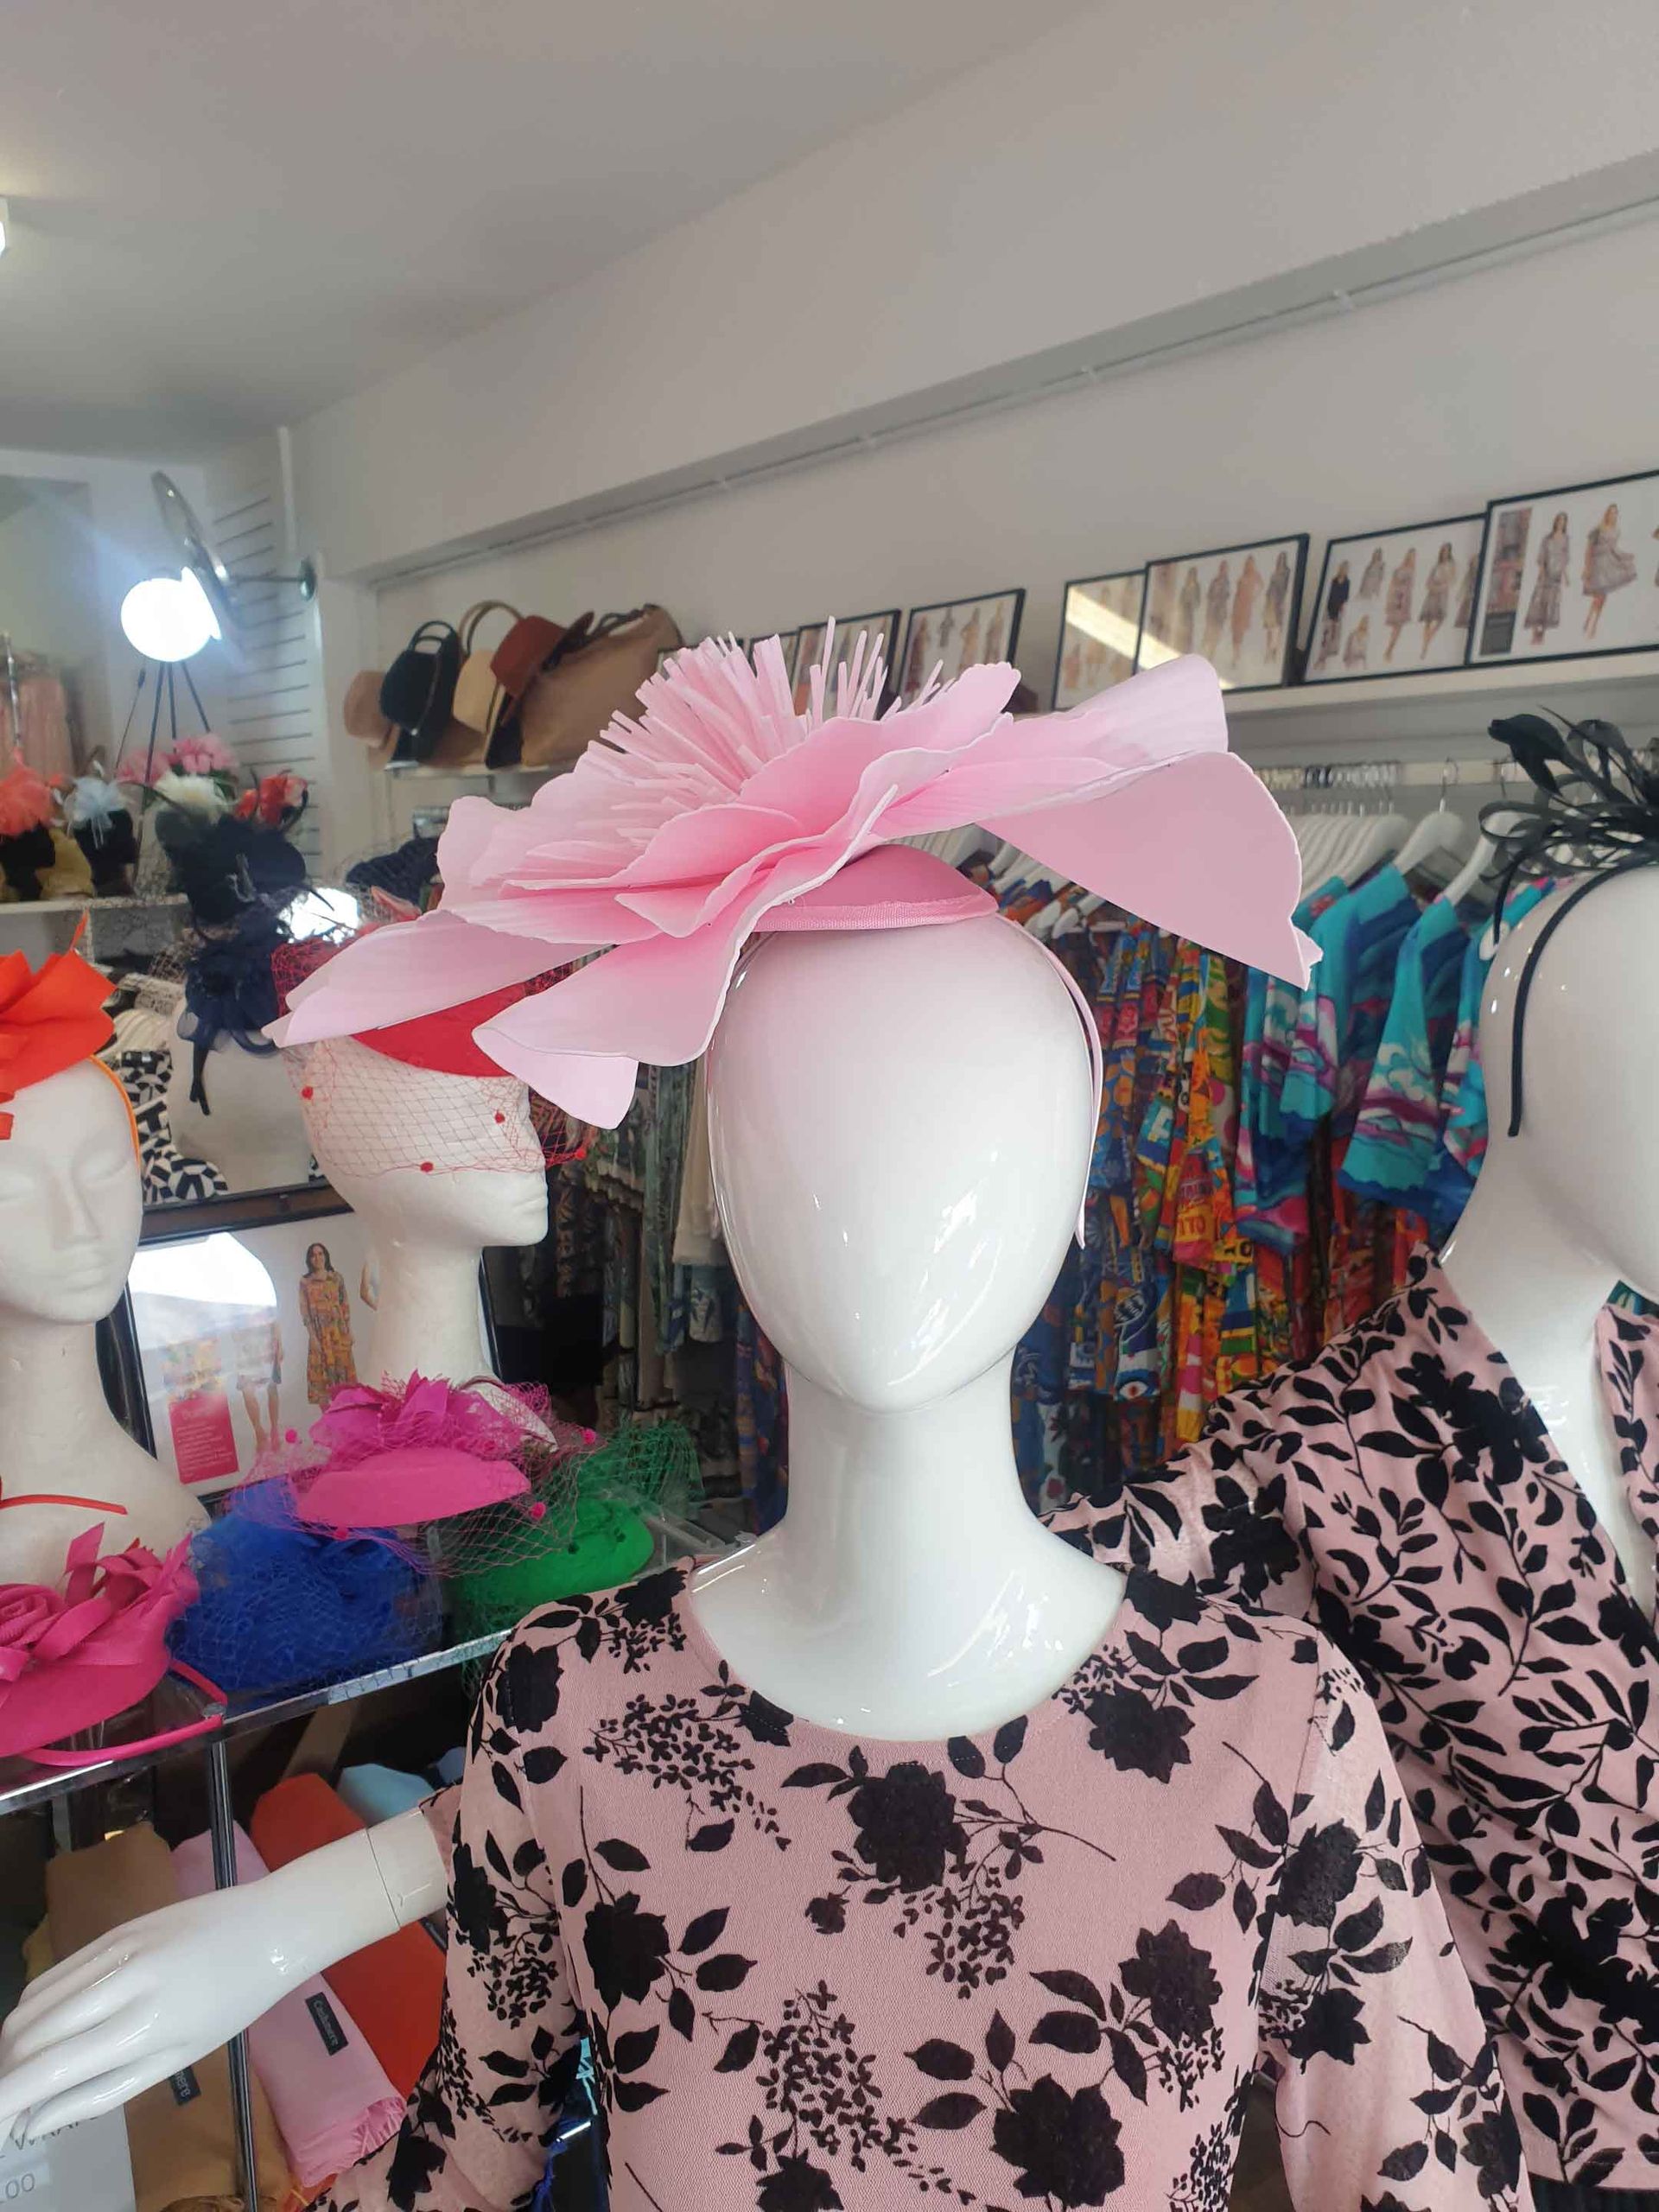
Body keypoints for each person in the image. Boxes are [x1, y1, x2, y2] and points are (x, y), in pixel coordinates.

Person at [298, 1240, 357, 1407]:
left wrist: (349, 1330)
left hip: (338, 1332)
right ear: (309, 1259)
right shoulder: (305, 1282)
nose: (317, 1258)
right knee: (322, 1380)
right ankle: (329, 1425)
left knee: (344, 1377)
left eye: (320, 1254)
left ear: (326, 1256)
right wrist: (313, 1337)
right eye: (313, 1255)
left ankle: (345, 1421)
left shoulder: (336, 1278)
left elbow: (344, 1304)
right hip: (319, 1334)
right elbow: (305, 1312)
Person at [1582, 501, 1637, 638]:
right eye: (1611, 512)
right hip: (1596, 565)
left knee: (1602, 597)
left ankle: (1593, 624)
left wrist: (1626, 556)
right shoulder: (1597, 529)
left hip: (1608, 566)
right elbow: (1589, 550)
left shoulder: (1616, 531)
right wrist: (1586, 568)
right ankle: (1589, 619)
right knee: (1598, 597)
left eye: (1615, 512)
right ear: (1607, 513)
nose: (1613, 515)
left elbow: (1614, 549)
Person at [1525, 512, 1570, 645]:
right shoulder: (1547, 538)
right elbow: (1541, 556)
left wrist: (1566, 576)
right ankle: (1534, 634)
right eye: (1559, 520)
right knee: (1538, 601)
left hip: (1556, 576)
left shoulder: (1566, 539)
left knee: (1551, 603)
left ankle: (1542, 636)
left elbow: (1564, 560)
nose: (1561, 522)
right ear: (1555, 521)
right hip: (1545, 574)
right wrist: (1542, 572)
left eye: (1563, 520)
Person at [1417, 539, 1459, 658]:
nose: (1444, 552)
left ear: (1449, 552)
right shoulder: (1436, 565)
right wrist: (1431, 586)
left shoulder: (1451, 565)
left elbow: (1452, 580)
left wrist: (1442, 586)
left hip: (1442, 592)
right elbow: (1428, 580)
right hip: (1432, 592)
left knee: (1440, 618)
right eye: (1442, 550)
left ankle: (1428, 639)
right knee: (1428, 620)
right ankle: (1424, 648)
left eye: (1446, 550)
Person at [1314, 559, 1350, 667]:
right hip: (1329, 609)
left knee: (1333, 636)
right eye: (1343, 568)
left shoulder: (1347, 582)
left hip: (1338, 611)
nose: (1344, 570)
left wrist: (1341, 609)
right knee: (1325, 636)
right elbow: (1328, 596)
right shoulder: (1333, 581)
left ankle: (1324, 660)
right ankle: (1320, 659)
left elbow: (1345, 598)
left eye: (1346, 569)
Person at [1229, 551, 1262, 664]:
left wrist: (1254, 597)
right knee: (1235, 630)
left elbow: (1261, 586)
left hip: (1246, 606)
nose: (1249, 565)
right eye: (1247, 563)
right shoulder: (1242, 576)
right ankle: (1234, 654)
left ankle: (1237, 654)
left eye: (1251, 563)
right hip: (1238, 605)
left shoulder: (1255, 575)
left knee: (1240, 630)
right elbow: (1237, 593)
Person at [1383, 544, 1416, 660]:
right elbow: (1393, 584)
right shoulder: (1399, 569)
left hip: (1403, 600)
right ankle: (1388, 650)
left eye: (1413, 556)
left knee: (1398, 626)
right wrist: (1389, 601)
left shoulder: (1411, 571)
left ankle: (1389, 650)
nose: (1411, 558)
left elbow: (1409, 586)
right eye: (1410, 556)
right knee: (1395, 626)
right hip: (1395, 598)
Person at [1262, 549, 1291, 662]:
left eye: (1283, 559)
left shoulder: (1287, 573)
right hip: (1271, 601)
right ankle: (1268, 651)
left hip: (1279, 601)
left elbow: (1287, 588)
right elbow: (1270, 587)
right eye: (1280, 558)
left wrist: (1283, 602)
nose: (1281, 561)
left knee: (1277, 628)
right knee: (1269, 628)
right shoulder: (1274, 573)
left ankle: (1274, 651)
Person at [1200, 559, 1231, 659]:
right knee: (1208, 631)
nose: (1223, 570)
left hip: (1220, 612)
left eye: (1225, 568)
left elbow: (1226, 596)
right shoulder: (1214, 581)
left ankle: (1211, 654)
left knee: (1216, 633)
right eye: (1222, 568)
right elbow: (1209, 595)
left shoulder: (1227, 583)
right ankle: (1203, 652)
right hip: (1212, 610)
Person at [1174, 565, 1201, 654]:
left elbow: (1197, 602)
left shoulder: (1196, 588)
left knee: (1188, 632)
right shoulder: (1185, 587)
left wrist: (1191, 601)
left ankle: (1187, 650)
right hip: (1183, 612)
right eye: (1190, 575)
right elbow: (1180, 600)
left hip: (1190, 612)